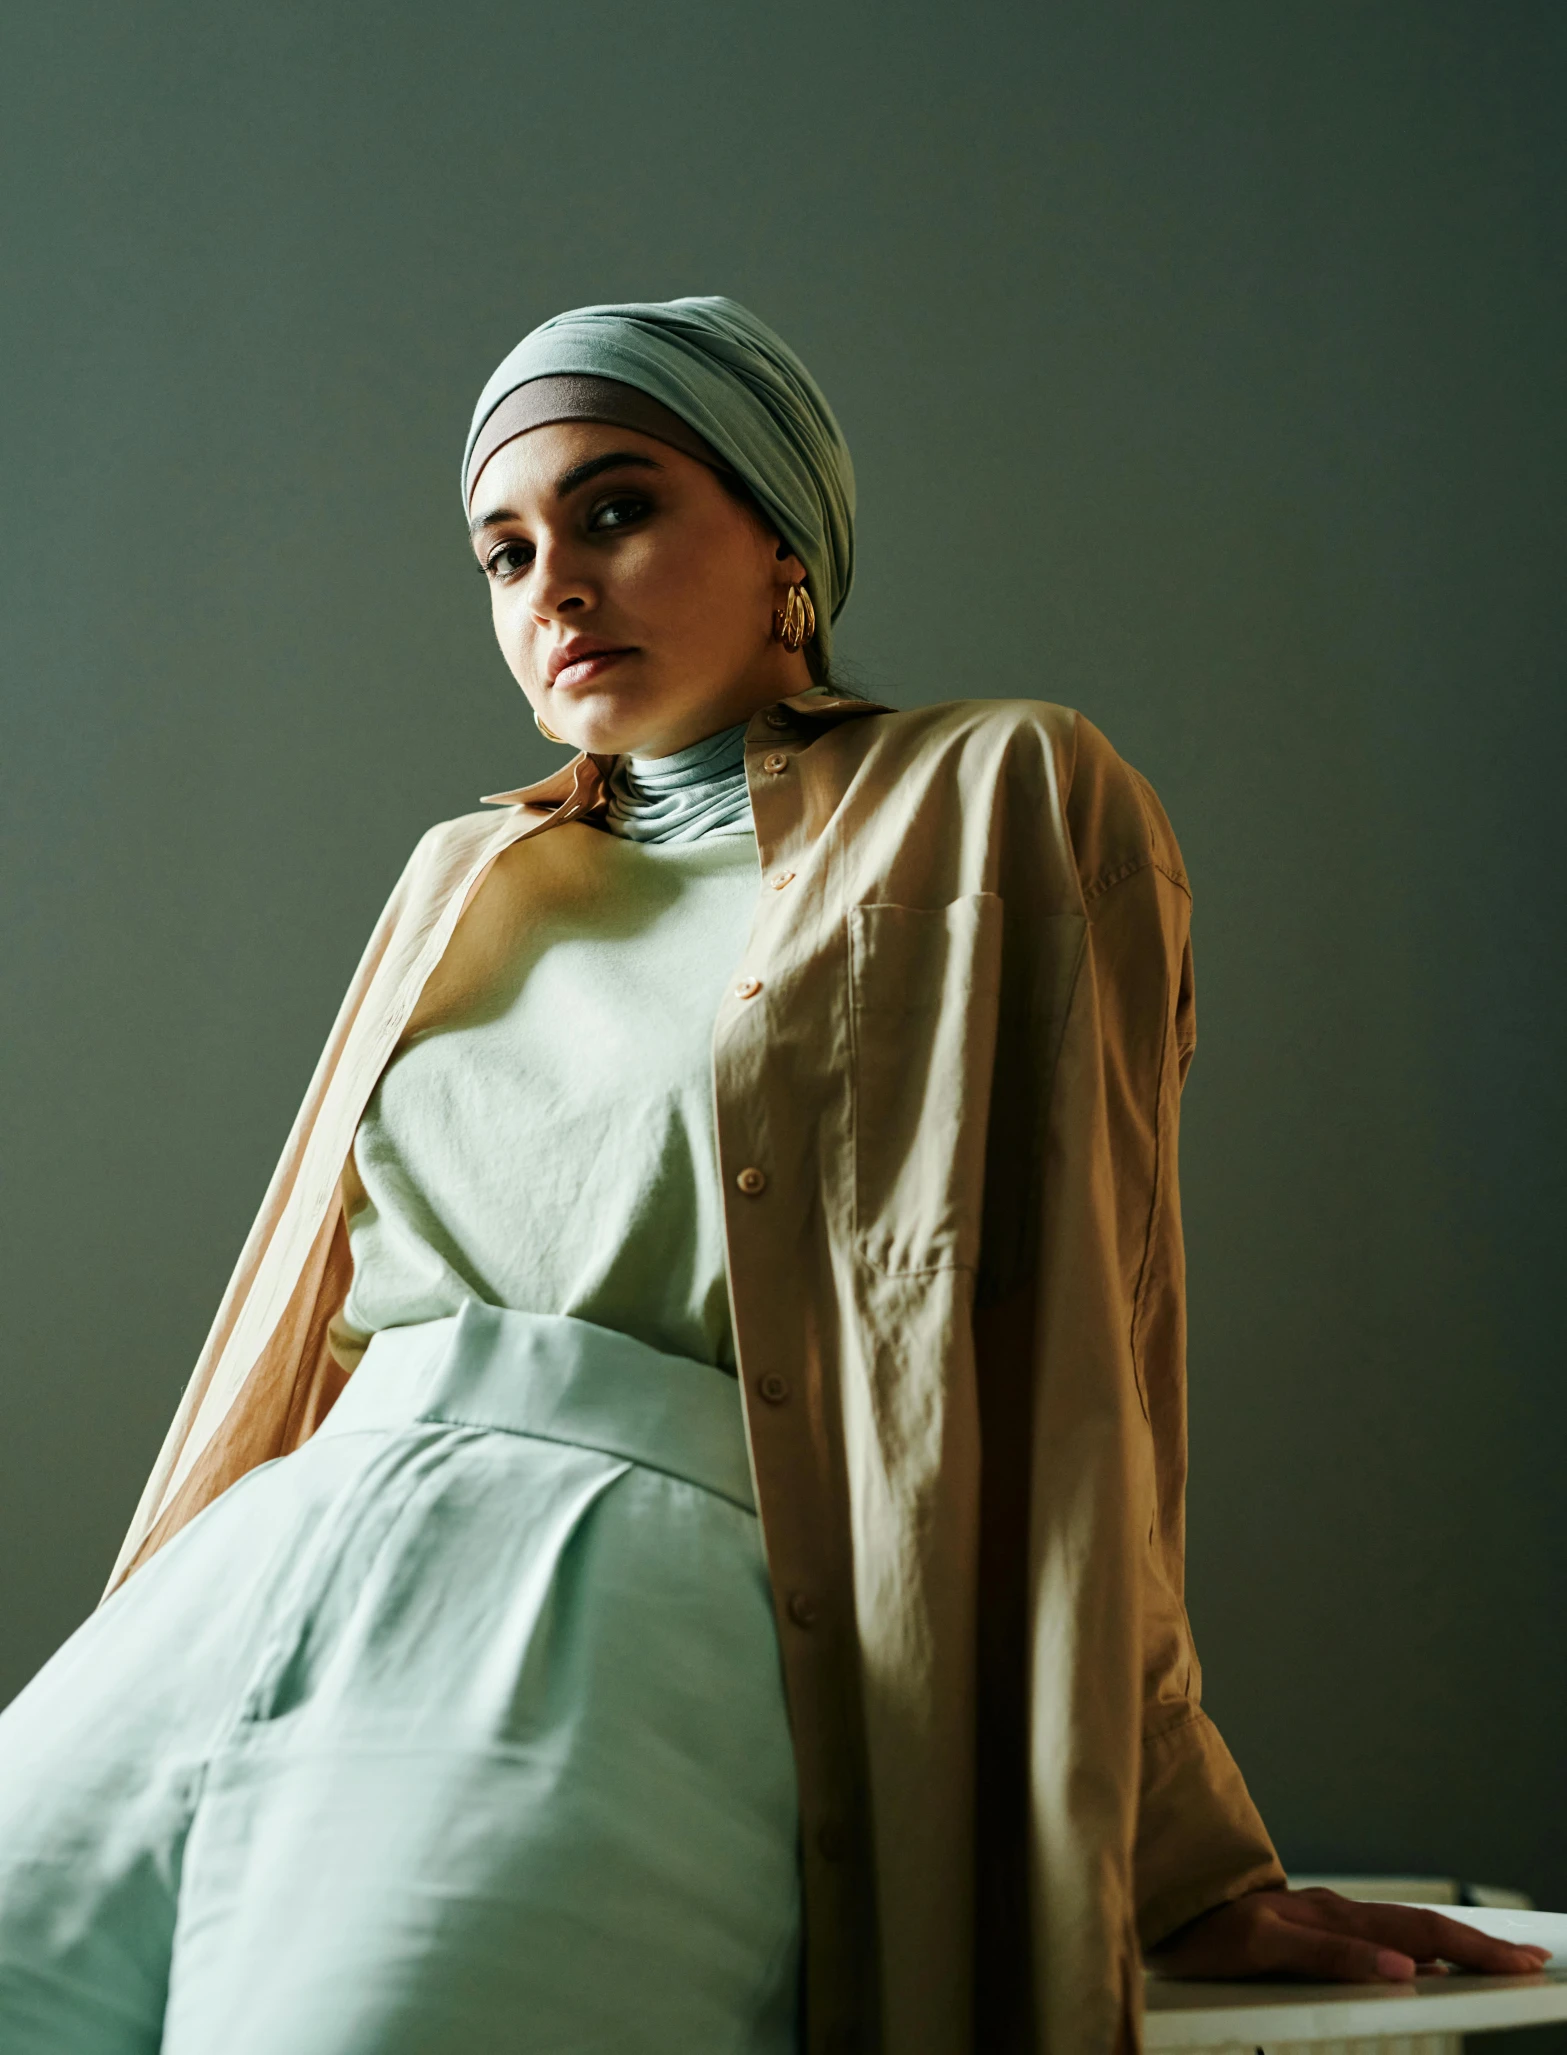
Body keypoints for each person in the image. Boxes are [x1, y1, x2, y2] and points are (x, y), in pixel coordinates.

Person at [0, 297, 1546, 2054]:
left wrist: (1172, 1839)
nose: (553, 586)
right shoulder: (461, 871)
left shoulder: (996, 794)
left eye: (616, 508)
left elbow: (1084, 1343)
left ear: (785, 547)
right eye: (503, 551)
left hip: (618, 1609)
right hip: (266, 1571)